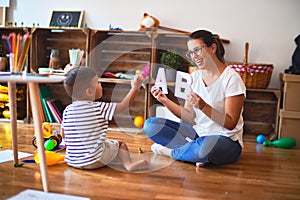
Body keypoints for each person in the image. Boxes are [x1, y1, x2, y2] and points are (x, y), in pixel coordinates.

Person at [143, 30, 246, 166]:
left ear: (213, 48)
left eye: (197, 50)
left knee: (208, 146)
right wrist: (164, 100)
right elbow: (188, 116)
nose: (194, 56)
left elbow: (231, 123)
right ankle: (195, 154)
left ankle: (170, 152)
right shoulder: (194, 78)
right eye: (190, 52)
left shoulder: (231, 79)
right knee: (151, 125)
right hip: (198, 135)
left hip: (226, 140)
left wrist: (203, 106)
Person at [61, 66, 148, 172]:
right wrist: (135, 87)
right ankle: (128, 164)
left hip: (73, 161)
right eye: (98, 83)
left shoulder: (67, 110)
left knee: (105, 144)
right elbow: (124, 106)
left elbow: (64, 134)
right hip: (95, 159)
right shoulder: (99, 107)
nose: (100, 85)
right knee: (120, 144)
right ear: (89, 92)